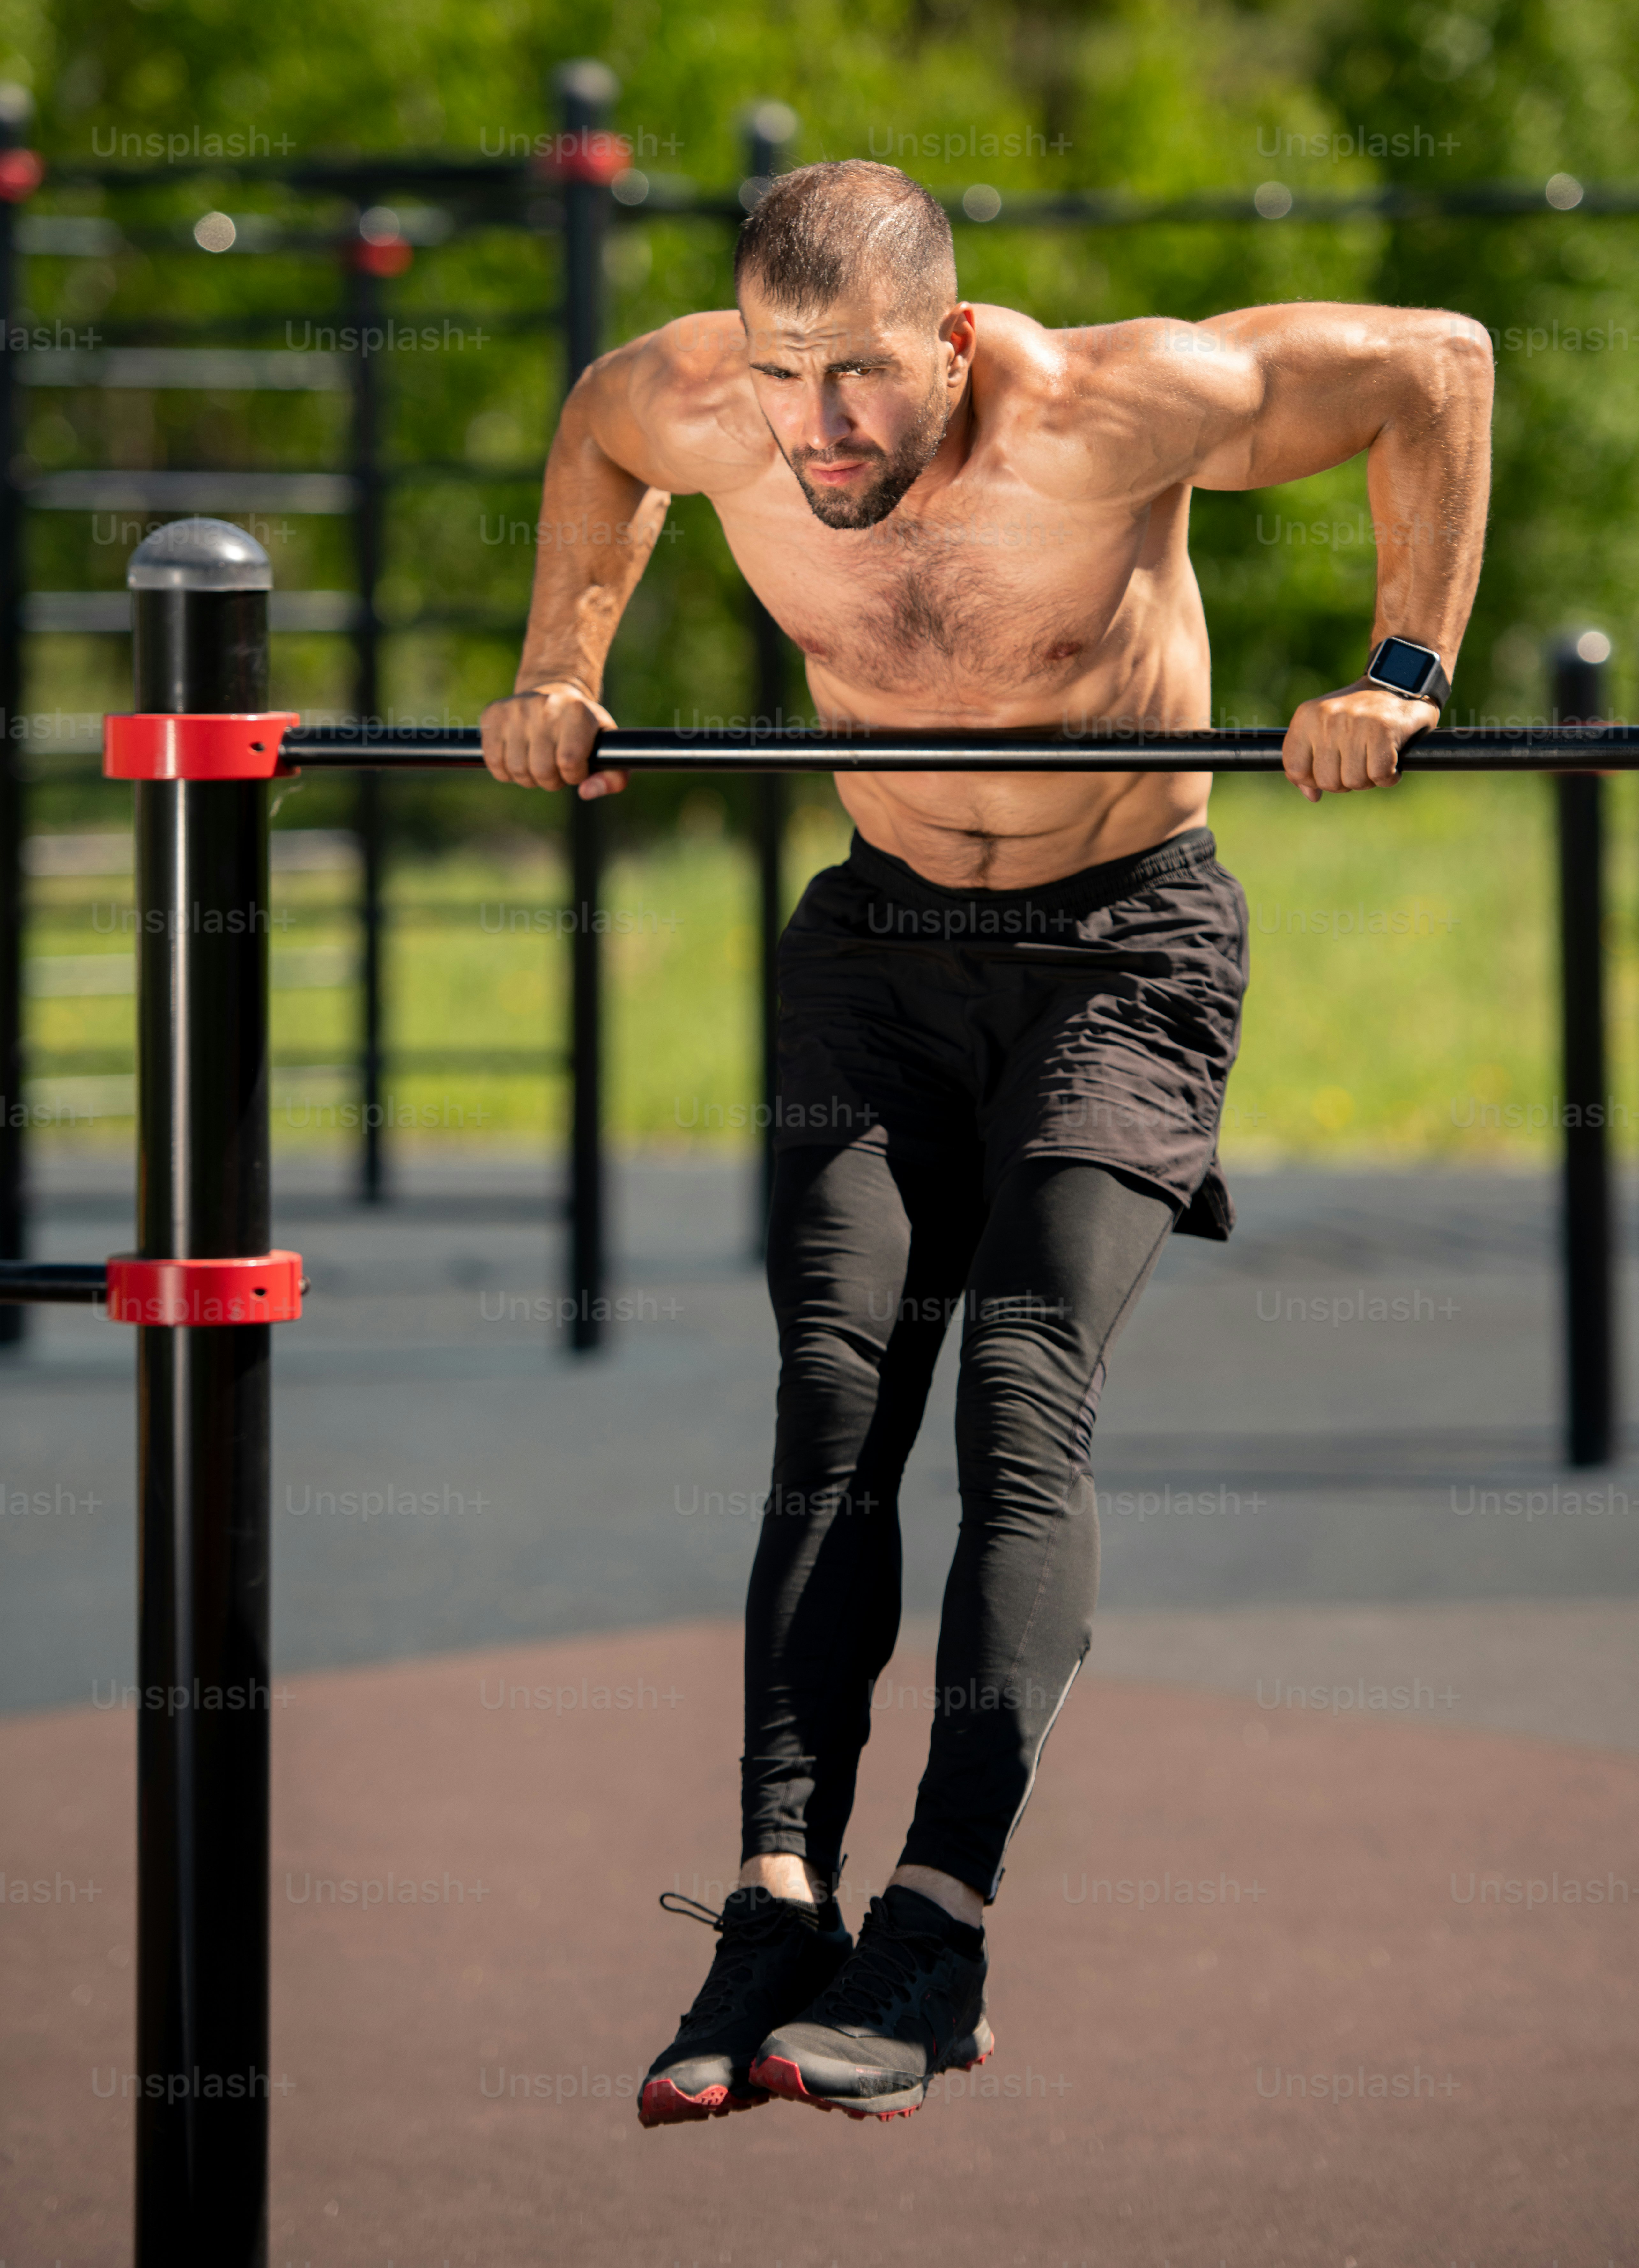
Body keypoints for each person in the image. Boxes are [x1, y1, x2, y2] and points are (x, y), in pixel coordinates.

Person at [479, 160, 1492, 2129]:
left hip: (1124, 941)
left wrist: (1399, 675)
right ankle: (779, 1905)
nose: (821, 425)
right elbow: (604, 437)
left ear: (947, 341)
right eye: (787, 378)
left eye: (861, 376)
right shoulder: (701, 401)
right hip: (881, 944)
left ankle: (933, 1937)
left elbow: (1434, 365)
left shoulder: (1113, 404)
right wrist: (557, 672)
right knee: (836, 1401)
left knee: (1024, 1388)